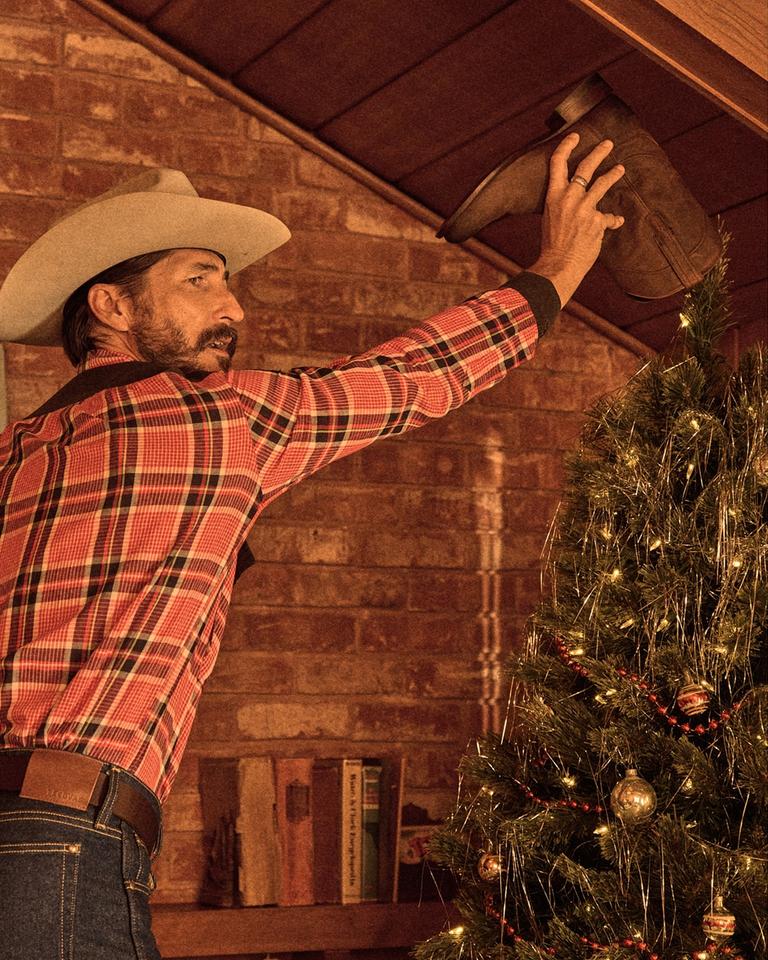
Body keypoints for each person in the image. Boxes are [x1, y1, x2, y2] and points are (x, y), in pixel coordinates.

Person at [0, 133, 624, 959]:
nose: (234, 307)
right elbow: (414, 376)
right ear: (111, 306)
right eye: (198, 279)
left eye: (228, 281)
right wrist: (559, 267)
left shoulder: (13, 451)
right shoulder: (218, 417)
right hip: (65, 843)